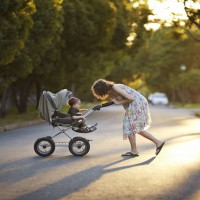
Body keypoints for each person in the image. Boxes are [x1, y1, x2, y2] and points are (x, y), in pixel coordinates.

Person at [91, 79, 165, 157]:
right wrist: (100, 106)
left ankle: (134, 151)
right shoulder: (111, 92)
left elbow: (130, 98)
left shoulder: (115, 87)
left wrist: (119, 102)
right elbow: (114, 101)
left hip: (137, 102)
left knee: (129, 125)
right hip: (135, 103)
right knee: (134, 127)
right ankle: (157, 143)